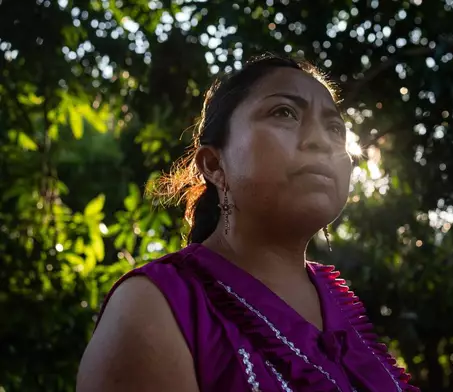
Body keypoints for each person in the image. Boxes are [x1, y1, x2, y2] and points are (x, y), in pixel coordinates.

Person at [76, 55, 418, 392]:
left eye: (335, 128)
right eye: (284, 112)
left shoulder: (343, 311)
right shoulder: (154, 306)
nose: (321, 141)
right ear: (213, 163)